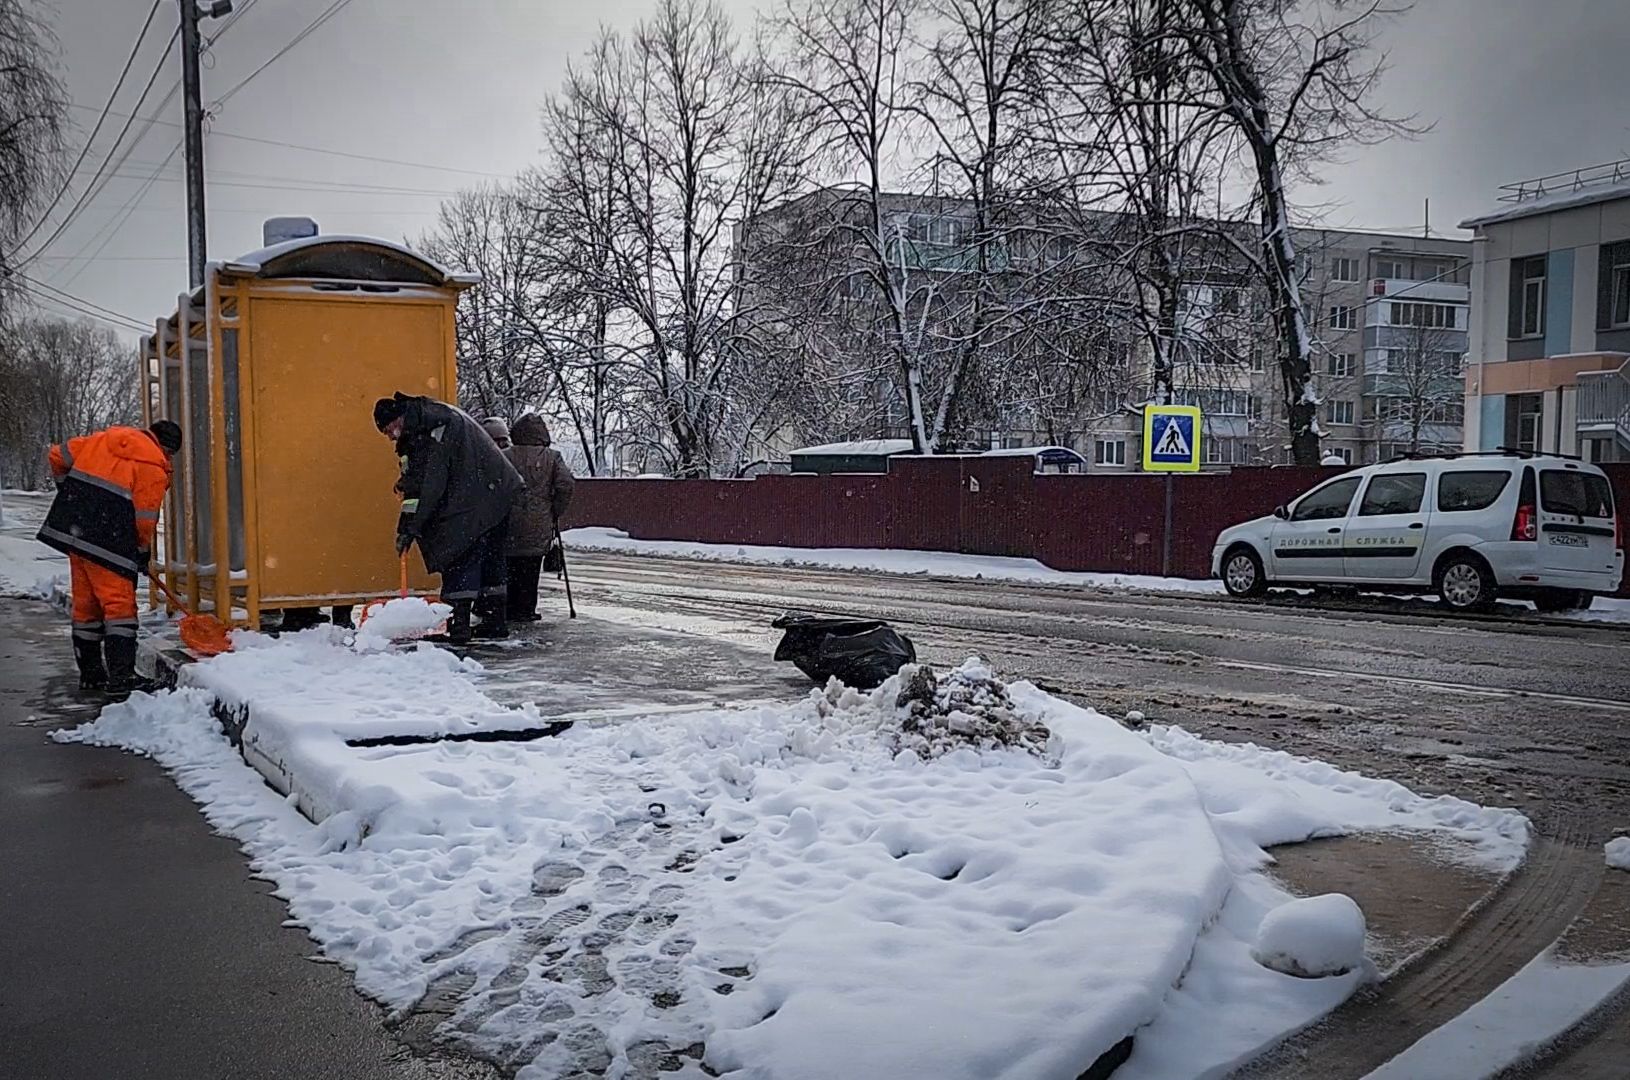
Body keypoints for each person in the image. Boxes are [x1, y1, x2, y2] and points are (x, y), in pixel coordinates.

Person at [37, 420, 182, 695]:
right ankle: (121, 679)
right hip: (110, 541)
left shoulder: (102, 440)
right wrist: (141, 550)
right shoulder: (152, 464)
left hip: (75, 533)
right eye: (171, 454)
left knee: (86, 606)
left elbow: (57, 455)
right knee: (119, 607)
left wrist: (69, 494)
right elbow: (144, 518)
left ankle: (91, 676)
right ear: (167, 449)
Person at [373, 392, 523, 645]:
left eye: (389, 429)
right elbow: (421, 477)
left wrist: (409, 528)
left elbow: (430, 484)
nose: (390, 437)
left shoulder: (432, 429)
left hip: (476, 500)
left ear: (399, 419)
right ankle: (494, 622)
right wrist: (407, 486)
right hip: (498, 493)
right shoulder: (431, 418)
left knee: (458, 554)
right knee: (489, 561)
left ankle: (460, 627)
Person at [502, 414, 576, 622]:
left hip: (510, 518)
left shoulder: (505, 455)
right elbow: (566, 485)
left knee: (509, 565)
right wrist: (554, 509)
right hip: (539, 518)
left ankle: (509, 607)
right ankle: (526, 609)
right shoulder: (552, 457)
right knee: (531, 566)